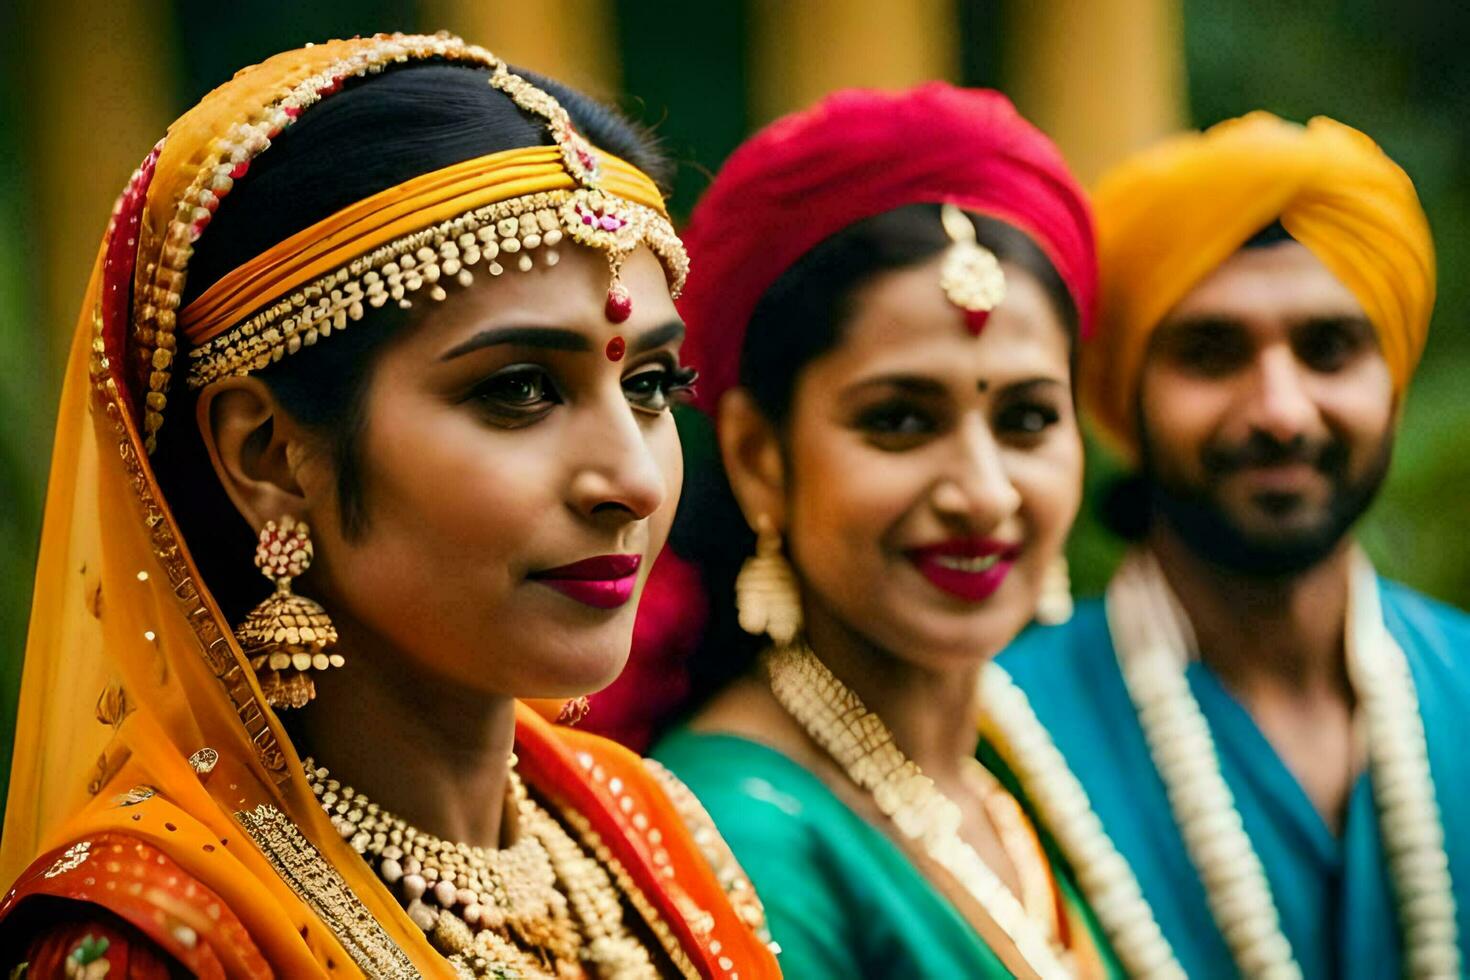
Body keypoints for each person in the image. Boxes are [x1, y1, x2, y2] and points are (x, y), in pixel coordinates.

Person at [0, 33, 779, 979]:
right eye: (521, 389)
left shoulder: (651, 833)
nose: (636, 480)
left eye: (653, 385)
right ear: (268, 454)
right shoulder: (158, 942)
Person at [651, 84, 1184, 979]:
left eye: (1026, 421)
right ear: (757, 456)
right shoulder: (738, 839)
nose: (982, 493)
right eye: (900, 421)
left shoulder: (1013, 784)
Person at [997, 112, 1469, 979]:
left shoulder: (1463, 685)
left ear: (1393, 379)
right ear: (1123, 394)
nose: (1281, 411)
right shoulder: (998, 739)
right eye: (1212, 354)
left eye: (1328, 349)